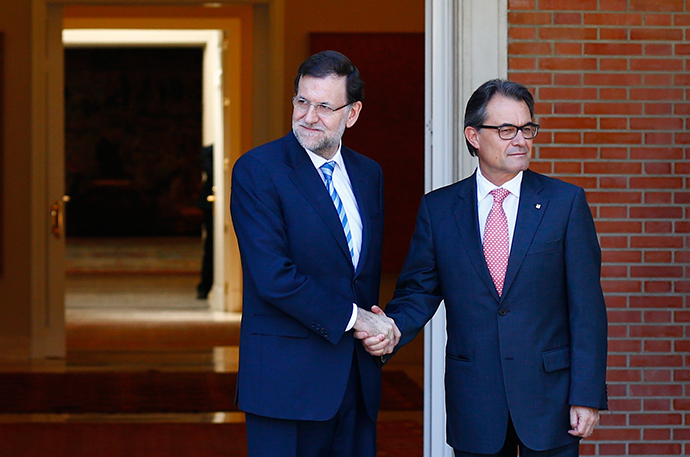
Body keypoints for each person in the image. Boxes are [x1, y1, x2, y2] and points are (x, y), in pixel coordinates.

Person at [358, 79, 608, 456]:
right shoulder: (439, 209)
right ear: (473, 136)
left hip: (551, 398)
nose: (520, 140)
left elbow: (588, 308)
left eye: (527, 128)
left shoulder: (565, 203)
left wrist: (586, 394)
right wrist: (389, 331)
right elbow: (419, 292)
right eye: (506, 130)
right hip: (475, 397)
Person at [230, 50, 400, 457]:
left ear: (352, 113)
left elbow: (360, 273)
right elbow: (273, 277)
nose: (309, 115)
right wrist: (357, 318)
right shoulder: (258, 170)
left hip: (355, 382)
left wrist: (380, 327)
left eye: (325, 106)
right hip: (285, 383)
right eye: (302, 101)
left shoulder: (368, 173)